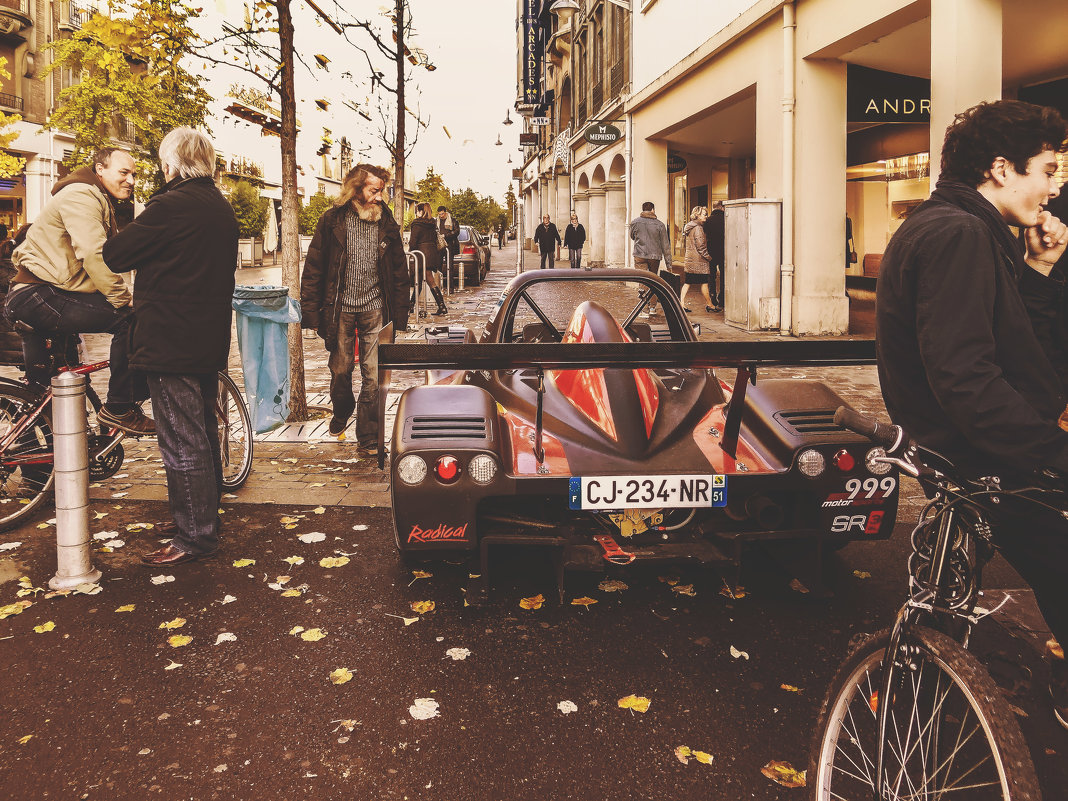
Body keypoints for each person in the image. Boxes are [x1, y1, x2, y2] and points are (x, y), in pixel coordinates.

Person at [875, 99, 1068, 729]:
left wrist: (1037, 270)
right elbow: (965, 377)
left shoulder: (965, 229)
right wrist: (1048, 451)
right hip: (985, 459)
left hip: (977, 452)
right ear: (1001, 169)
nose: (1054, 185)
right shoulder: (959, 234)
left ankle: (930, 696)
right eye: (1046, 168)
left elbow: (1011, 350)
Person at [101, 128, 238, 566]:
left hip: (170, 337)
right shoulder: (218, 205)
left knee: (182, 440)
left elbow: (116, 254)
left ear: (172, 163)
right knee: (200, 432)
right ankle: (199, 516)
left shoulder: (169, 205)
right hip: (204, 334)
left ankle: (195, 535)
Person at [3, 148, 153, 435]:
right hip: (39, 295)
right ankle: (120, 407)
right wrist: (123, 300)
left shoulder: (93, 197)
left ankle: (37, 469)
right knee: (130, 321)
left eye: (133, 174)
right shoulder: (82, 195)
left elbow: (112, 254)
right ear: (100, 169)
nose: (131, 180)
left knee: (42, 393)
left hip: (36, 295)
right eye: (124, 172)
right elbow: (93, 253)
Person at [300, 164, 410, 455]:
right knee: (341, 369)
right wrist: (310, 314)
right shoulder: (331, 221)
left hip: (375, 307)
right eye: (374, 190)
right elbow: (314, 268)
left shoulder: (387, 222)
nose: (379, 197)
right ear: (356, 189)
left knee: (374, 374)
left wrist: (399, 316)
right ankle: (342, 410)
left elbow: (400, 272)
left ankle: (369, 437)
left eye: (382, 190)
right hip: (340, 310)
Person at [630, 201, 674, 313]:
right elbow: (665, 245)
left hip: (639, 254)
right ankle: (652, 307)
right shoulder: (660, 224)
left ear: (643, 209)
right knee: (653, 279)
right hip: (654, 256)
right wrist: (669, 263)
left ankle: (643, 296)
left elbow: (632, 236)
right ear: (653, 210)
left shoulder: (635, 222)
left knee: (642, 278)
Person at [408, 202, 447, 316]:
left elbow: (413, 242)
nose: (416, 213)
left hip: (421, 254)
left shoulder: (417, 224)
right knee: (422, 279)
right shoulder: (432, 223)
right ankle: (411, 305)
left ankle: (441, 306)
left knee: (425, 280)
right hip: (432, 253)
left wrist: (411, 252)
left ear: (421, 211)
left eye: (417, 211)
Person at [680, 206, 714, 313]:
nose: (706, 216)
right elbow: (701, 247)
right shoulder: (698, 228)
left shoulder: (690, 227)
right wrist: (709, 257)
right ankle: (710, 304)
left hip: (690, 260)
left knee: (687, 282)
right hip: (699, 262)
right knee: (704, 282)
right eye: (704, 214)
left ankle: (681, 303)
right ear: (698, 215)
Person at [703, 202, 725, 312]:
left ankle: (712, 296)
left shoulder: (708, 220)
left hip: (711, 250)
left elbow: (704, 235)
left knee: (711, 275)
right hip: (723, 251)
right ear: (721, 207)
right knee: (723, 276)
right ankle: (722, 299)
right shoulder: (726, 219)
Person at [436, 205, 461, 274]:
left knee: (449, 266)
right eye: (439, 214)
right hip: (439, 245)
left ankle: (450, 284)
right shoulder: (436, 221)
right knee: (438, 266)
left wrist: (445, 236)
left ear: (445, 212)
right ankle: (439, 283)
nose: (441, 216)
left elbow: (456, 232)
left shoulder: (453, 220)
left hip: (450, 245)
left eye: (442, 214)